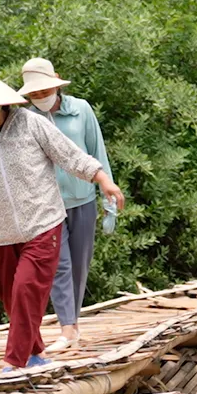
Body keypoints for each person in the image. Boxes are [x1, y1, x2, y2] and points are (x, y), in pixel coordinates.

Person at [0, 67, 126, 372]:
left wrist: (102, 179)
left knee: (26, 289)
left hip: (43, 225)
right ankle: (37, 353)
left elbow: (70, 155)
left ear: (0, 102)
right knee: (9, 295)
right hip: (2, 234)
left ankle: (14, 361)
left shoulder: (30, 124)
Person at [19, 57, 117, 353]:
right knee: (57, 265)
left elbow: (96, 152)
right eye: (34, 95)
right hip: (47, 206)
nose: (40, 98)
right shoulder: (25, 119)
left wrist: (108, 202)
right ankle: (67, 328)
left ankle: (72, 324)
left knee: (78, 265)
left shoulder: (81, 110)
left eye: (43, 92)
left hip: (83, 199)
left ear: (57, 82)